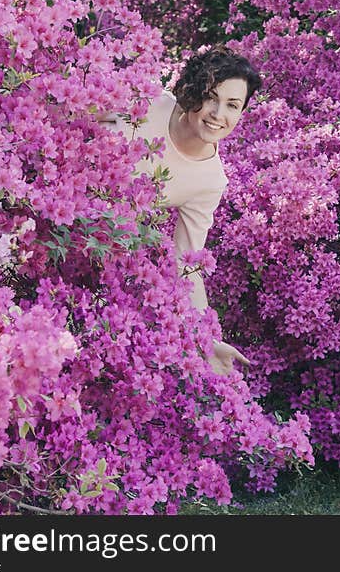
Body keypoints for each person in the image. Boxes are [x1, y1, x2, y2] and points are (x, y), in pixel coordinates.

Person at [107, 45, 262, 375]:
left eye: (232, 105)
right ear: (193, 91)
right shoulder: (150, 102)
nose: (218, 113)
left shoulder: (210, 180)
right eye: (211, 97)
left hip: (91, 239)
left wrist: (206, 339)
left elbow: (186, 260)